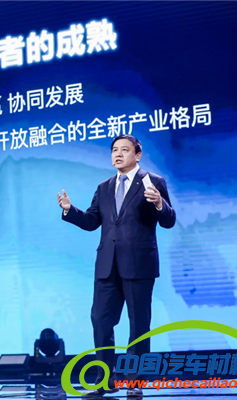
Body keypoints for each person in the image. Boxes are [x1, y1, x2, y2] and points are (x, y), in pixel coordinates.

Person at [57, 135, 176, 397]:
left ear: (137, 154)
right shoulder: (104, 187)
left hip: (139, 264)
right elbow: (92, 221)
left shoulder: (153, 182)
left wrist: (159, 203)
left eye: (124, 150)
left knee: (139, 326)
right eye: (114, 150)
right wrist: (69, 210)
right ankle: (105, 381)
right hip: (107, 265)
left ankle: (135, 383)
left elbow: (168, 221)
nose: (118, 154)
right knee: (100, 320)